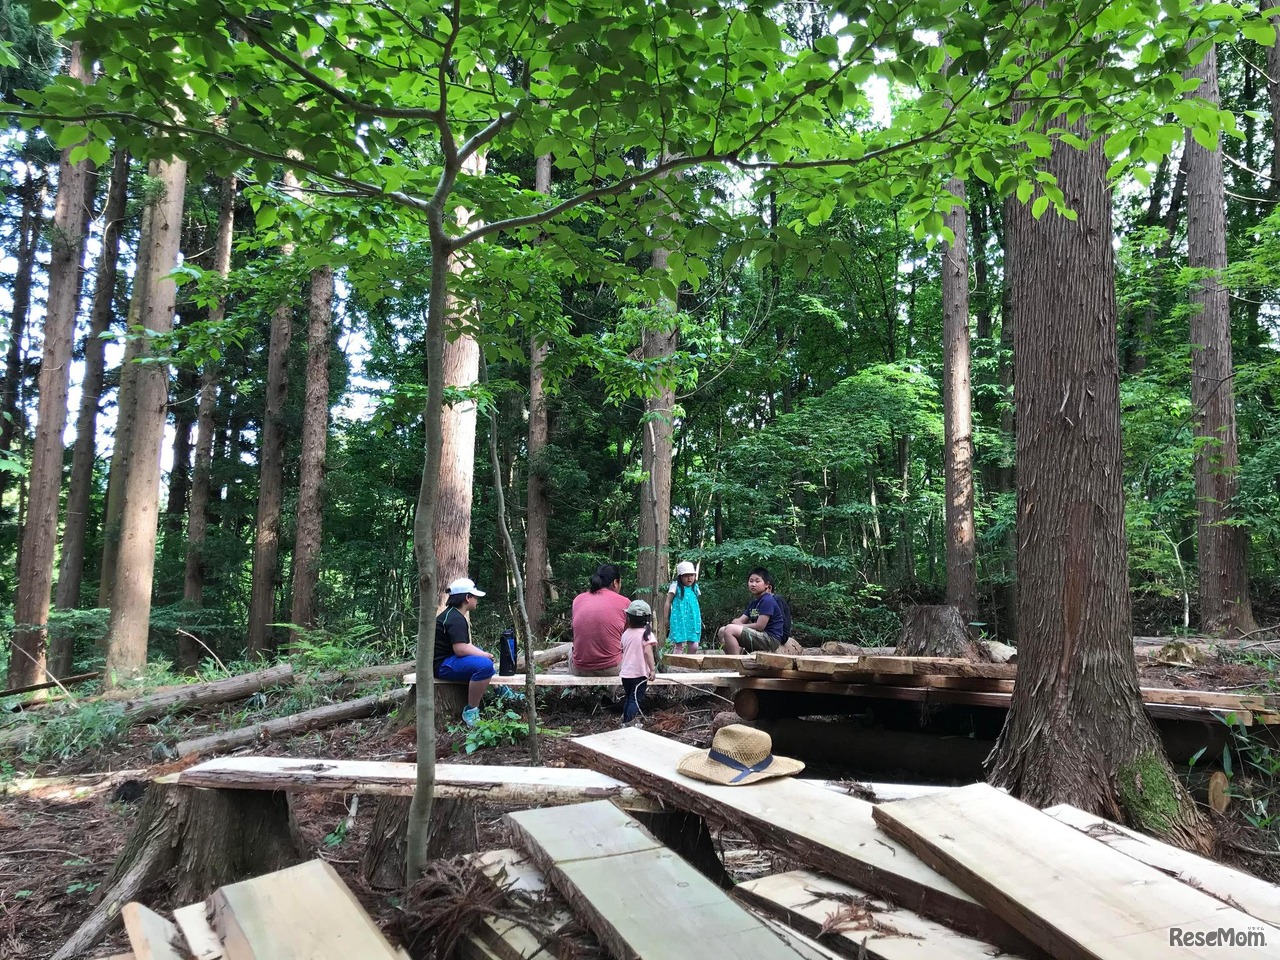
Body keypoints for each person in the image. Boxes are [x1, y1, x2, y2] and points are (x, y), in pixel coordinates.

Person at [434, 577, 496, 727]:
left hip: (448, 660)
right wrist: (485, 655)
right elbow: (461, 649)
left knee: (483, 659)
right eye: (475, 597)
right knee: (484, 665)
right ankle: (471, 709)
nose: (477, 600)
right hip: (442, 665)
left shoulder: (453, 615)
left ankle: (499, 689)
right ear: (467, 598)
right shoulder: (455, 618)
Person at [570, 563, 630, 676]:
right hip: (612, 668)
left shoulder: (578, 600)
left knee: (570, 651)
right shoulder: (625, 602)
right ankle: (610, 693)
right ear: (615, 583)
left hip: (580, 669)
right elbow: (626, 636)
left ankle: (577, 692)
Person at [716, 567, 785, 654]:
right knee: (722, 630)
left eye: (757, 581)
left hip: (770, 639)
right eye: (751, 581)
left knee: (729, 630)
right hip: (758, 635)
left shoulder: (768, 600)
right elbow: (739, 620)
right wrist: (737, 624)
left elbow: (760, 626)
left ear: (767, 584)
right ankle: (737, 656)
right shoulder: (754, 603)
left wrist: (739, 626)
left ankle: (737, 661)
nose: (753, 584)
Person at [619, 599, 658, 725]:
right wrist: (652, 669)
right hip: (639, 674)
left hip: (626, 674)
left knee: (629, 697)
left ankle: (625, 721)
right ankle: (629, 723)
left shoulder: (625, 634)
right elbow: (648, 653)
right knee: (634, 700)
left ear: (628, 618)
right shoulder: (646, 635)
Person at [665, 560, 703, 654]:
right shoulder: (675, 586)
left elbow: (694, 604)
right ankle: (676, 666)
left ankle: (689, 663)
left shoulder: (695, 587)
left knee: (694, 645)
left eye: (692, 575)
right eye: (686, 576)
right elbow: (668, 602)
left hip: (693, 620)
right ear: (680, 577)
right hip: (679, 619)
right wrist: (666, 618)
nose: (689, 578)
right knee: (679, 645)